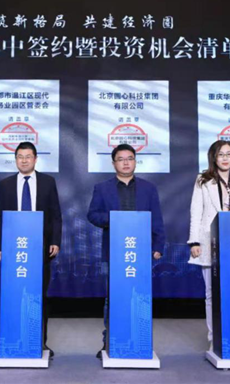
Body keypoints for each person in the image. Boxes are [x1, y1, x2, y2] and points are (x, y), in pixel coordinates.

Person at [87, 144, 166, 359]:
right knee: (113, 298)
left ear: (135, 161)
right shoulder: (102, 188)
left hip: (141, 252)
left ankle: (139, 341)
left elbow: (157, 218)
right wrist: (114, 219)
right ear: (113, 163)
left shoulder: (149, 188)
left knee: (140, 296)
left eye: (130, 158)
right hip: (113, 252)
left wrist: (158, 246)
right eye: (121, 159)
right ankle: (109, 342)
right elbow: (92, 214)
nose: (125, 163)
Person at [0, 142, 62, 358]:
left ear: (35, 159)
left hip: (40, 247)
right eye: (20, 157)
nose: (24, 160)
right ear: (15, 159)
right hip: (13, 248)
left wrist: (55, 241)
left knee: (38, 294)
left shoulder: (47, 182)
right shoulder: (5, 184)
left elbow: (56, 215)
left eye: (28, 156)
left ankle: (39, 342)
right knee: (14, 294)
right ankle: (13, 340)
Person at [187, 140, 230, 349]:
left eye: (229, 154)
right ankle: (214, 338)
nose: (225, 158)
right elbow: (196, 212)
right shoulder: (203, 180)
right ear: (213, 158)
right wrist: (194, 241)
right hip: (210, 240)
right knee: (211, 293)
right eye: (221, 154)